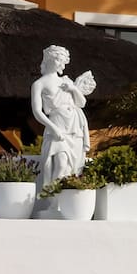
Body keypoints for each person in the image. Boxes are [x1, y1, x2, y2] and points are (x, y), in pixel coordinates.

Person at [31, 45, 97, 188]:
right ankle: (53, 200)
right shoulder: (39, 84)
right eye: (58, 60)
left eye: (63, 61)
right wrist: (53, 128)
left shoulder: (66, 81)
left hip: (74, 125)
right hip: (57, 125)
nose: (62, 64)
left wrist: (73, 89)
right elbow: (37, 112)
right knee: (60, 163)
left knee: (73, 167)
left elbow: (82, 103)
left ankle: (65, 199)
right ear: (50, 59)